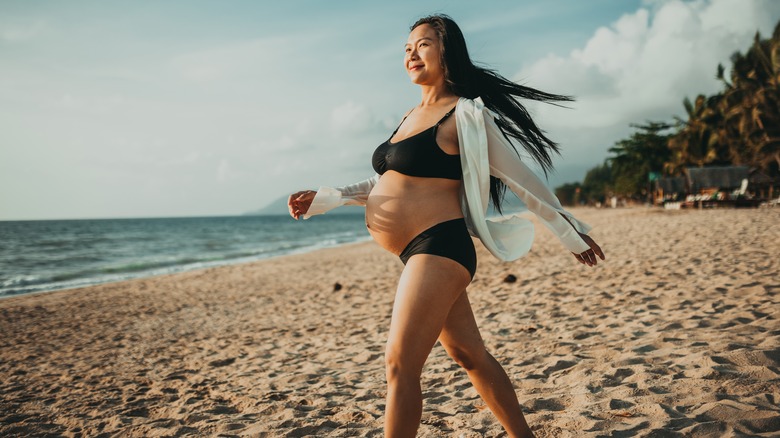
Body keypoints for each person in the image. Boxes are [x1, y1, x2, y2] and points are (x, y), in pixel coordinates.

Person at [287, 14, 604, 438]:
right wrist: (328, 197)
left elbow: (522, 180)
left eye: (423, 44)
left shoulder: (467, 116)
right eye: (406, 48)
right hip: (417, 252)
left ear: (446, 51)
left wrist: (568, 229)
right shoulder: (410, 114)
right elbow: (386, 182)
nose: (411, 54)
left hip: (440, 246)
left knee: (399, 362)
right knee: (470, 354)